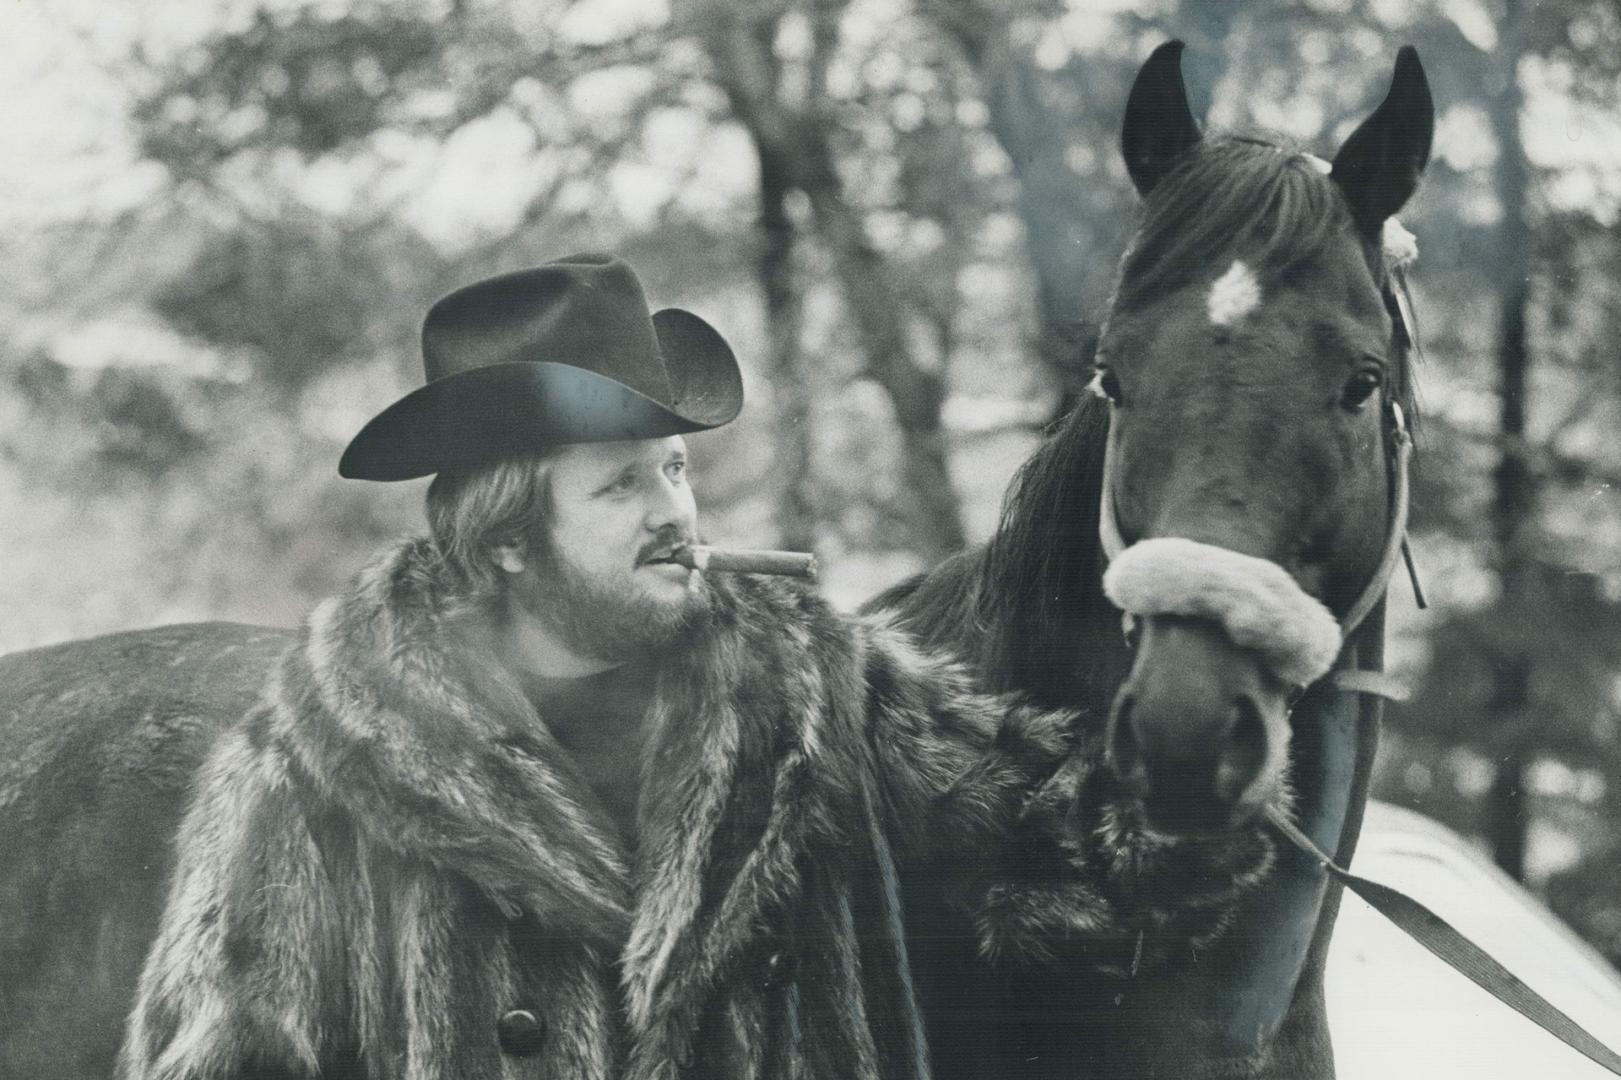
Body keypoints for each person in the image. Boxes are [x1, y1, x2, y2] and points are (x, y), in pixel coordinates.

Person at [118, 254, 1260, 1080]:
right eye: (621, 487)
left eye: (677, 472)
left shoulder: (810, 684)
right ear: (507, 538)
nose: (677, 516)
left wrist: (1204, 730)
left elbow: (1084, 851)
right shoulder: (312, 769)